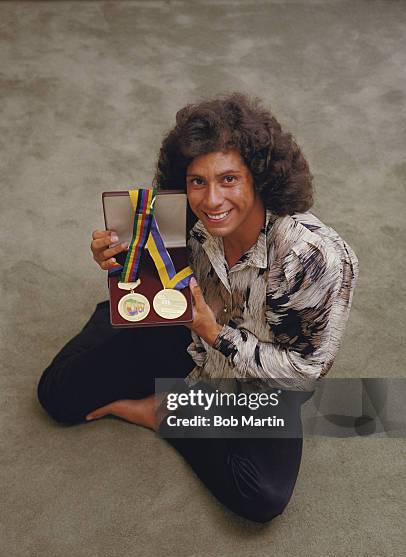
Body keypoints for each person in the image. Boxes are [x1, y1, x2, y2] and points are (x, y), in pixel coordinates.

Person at [37, 93, 359, 523]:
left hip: (258, 380)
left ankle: (163, 410)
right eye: (197, 182)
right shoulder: (182, 213)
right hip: (181, 334)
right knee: (57, 397)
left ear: (258, 179)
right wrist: (115, 263)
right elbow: (149, 272)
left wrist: (214, 333)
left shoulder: (316, 257)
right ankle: (108, 319)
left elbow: (305, 371)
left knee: (261, 497)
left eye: (229, 180)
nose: (211, 201)